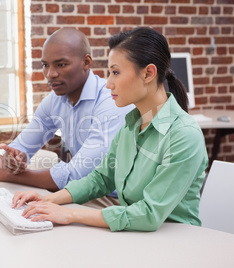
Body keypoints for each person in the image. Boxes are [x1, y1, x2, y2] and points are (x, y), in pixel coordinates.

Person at [11, 27, 208, 232]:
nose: (108, 84)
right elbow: (101, 178)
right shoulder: (131, 125)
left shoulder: (184, 135)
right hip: (135, 236)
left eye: (115, 72)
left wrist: (70, 213)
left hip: (175, 242)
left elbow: (150, 213)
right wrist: (48, 199)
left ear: (148, 73)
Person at [0, 28, 133, 196]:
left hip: (117, 199)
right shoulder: (55, 101)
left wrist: (11, 176)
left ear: (86, 62)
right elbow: (22, 147)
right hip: (86, 192)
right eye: (45, 65)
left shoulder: (112, 101)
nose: (50, 74)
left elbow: (76, 175)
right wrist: (12, 160)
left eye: (61, 65)